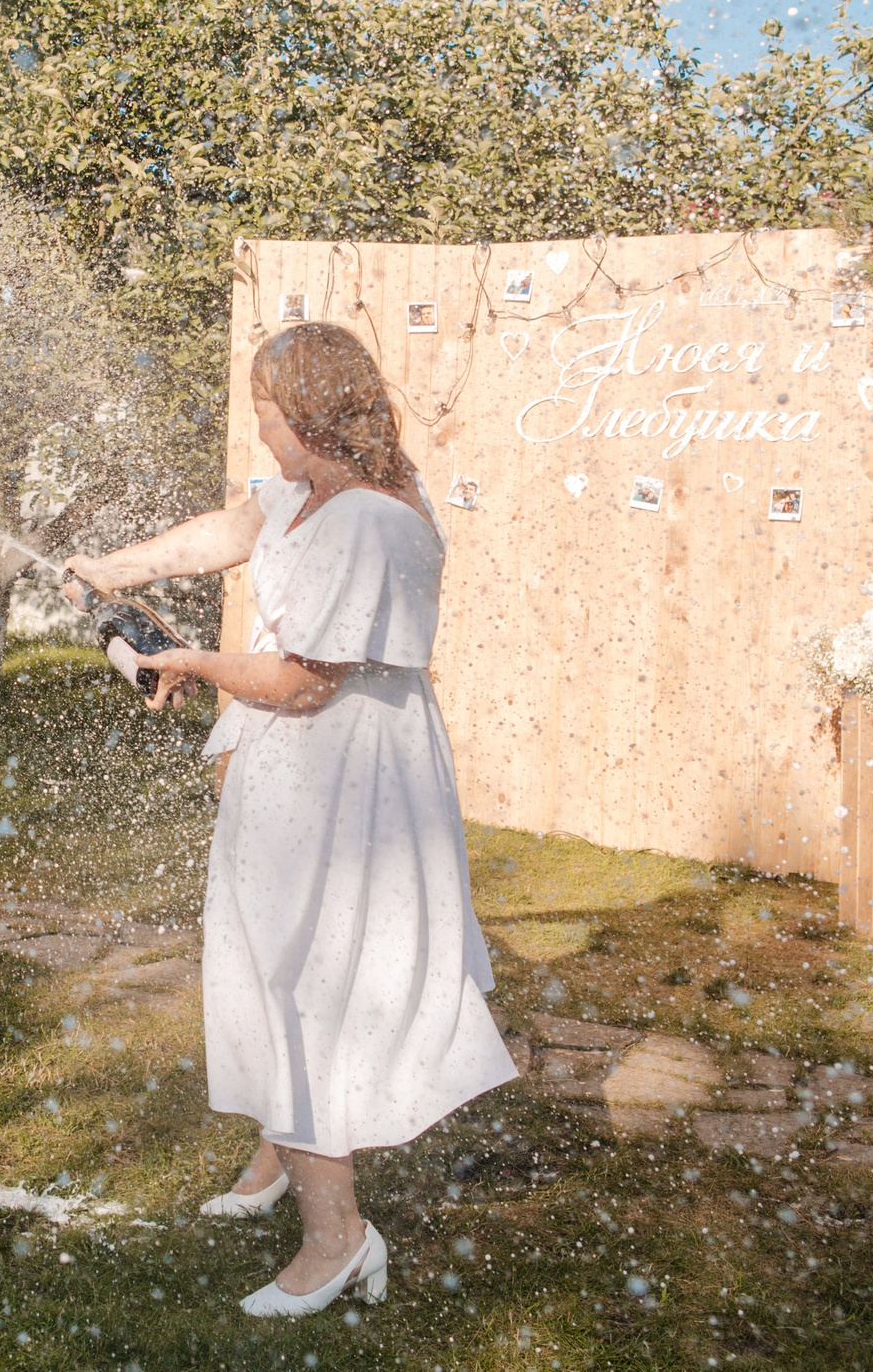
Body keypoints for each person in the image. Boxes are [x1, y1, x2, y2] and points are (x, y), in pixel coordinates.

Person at [62, 322, 515, 1318]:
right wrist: (111, 570)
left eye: (266, 412)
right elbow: (230, 530)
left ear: (307, 416)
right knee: (278, 958)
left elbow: (304, 681)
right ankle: (284, 1149)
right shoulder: (319, 491)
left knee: (299, 975)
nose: (258, 430)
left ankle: (337, 1239)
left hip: (338, 771)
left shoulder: (367, 522)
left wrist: (190, 662)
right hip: (309, 765)